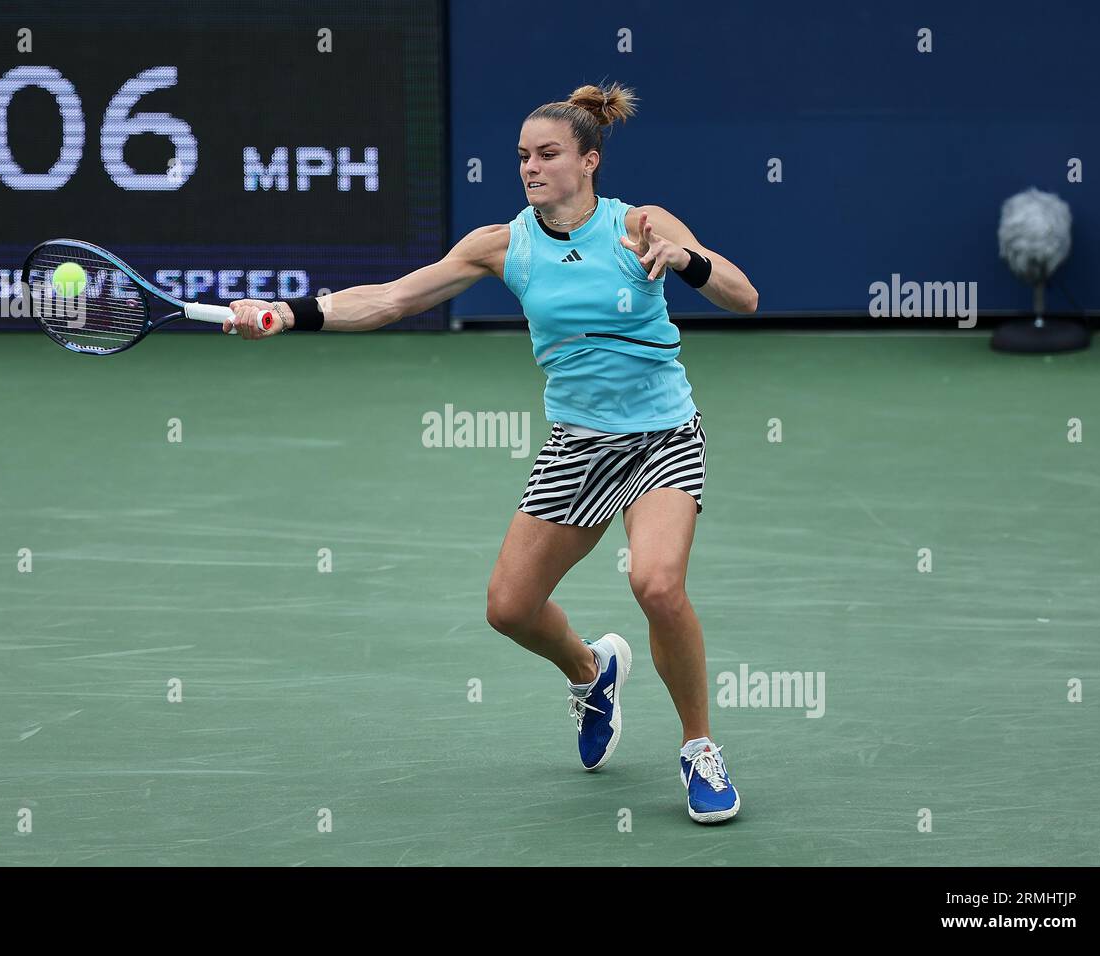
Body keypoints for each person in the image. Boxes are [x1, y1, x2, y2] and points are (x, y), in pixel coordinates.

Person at [224, 82, 758, 824]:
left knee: (657, 585)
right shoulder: (502, 245)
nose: (531, 168)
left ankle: (700, 748)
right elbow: (391, 298)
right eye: (521, 157)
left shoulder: (639, 223)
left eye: (547, 154)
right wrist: (289, 312)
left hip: (663, 435)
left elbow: (744, 294)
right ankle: (591, 669)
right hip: (578, 443)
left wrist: (687, 259)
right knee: (509, 609)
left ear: (589, 161)